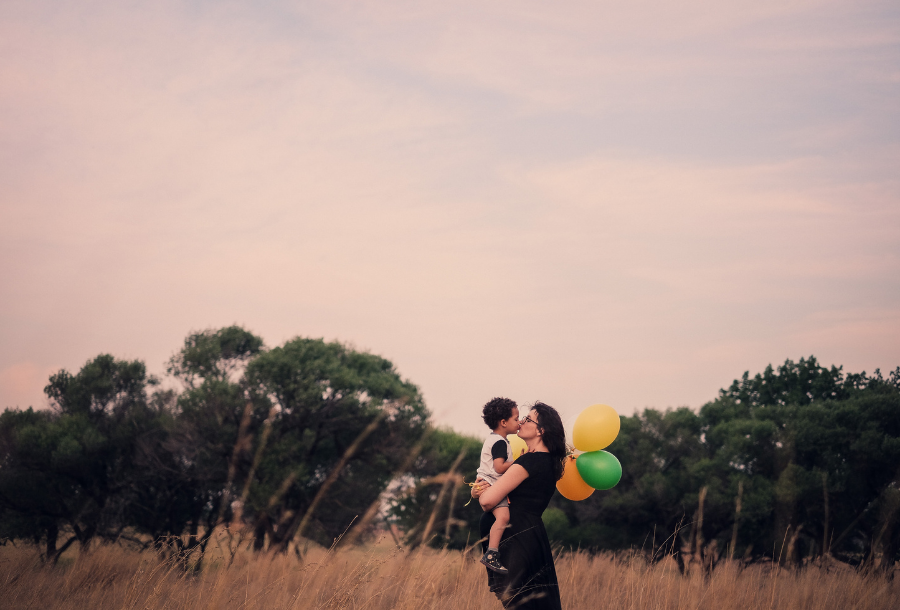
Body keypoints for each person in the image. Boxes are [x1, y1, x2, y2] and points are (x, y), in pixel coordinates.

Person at [473, 402, 567, 610]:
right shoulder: (548, 462)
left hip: (517, 541)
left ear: (540, 430)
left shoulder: (529, 462)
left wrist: (481, 492)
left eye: (528, 419)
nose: (522, 421)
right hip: (530, 537)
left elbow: (488, 501)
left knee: (522, 603)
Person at [476, 397, 521, 574]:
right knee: (503, 518)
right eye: (516, 419)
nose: (519, 422)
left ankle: (492, 552)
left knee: (502, 517)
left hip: (487, 484)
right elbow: (500, 467)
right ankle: (491, 554)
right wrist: (520, 462)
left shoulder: (495, 440)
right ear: (503, 422)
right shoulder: (500, 442)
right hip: (491, 486)